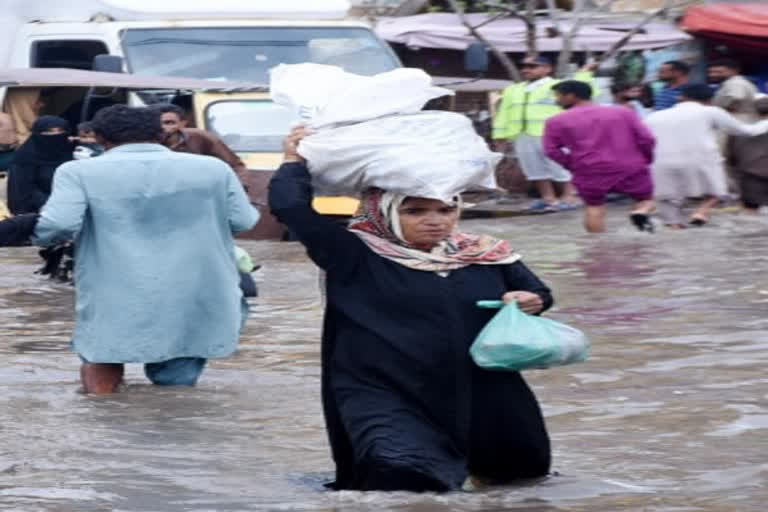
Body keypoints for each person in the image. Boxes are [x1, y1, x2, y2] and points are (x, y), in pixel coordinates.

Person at [269, 127, 554, 492]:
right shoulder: (354, 253)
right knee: (400, 476)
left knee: (520, 474)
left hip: (484, 388)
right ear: (384, 212)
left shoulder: (485, 252)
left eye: (446, 209)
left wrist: (533, 301)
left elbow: (537, 292)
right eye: (415, 211)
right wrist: (294, 163)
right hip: (386, 390)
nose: (435, 220)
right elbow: (291, 208)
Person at [32, 105, 260, 394]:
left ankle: (98, 430)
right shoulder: (212, 169)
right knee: (177, 377)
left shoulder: (78, 172)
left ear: (100, 138)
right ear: (159, 134)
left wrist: (26, 231)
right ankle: (173, 429)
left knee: (103, 355)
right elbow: (243, 220)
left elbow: (58, 226)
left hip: (113, 285)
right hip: (195, 284)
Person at [644, 84, 768, 228]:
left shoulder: (654, 116)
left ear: (680, 97)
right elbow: (745, 131)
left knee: (668, 200)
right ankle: (701, 212)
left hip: (661, 161)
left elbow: (643, 139)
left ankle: (674, 227)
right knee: (717, 190)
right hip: (700, 159)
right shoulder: (710, 111)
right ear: (710, 99)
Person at [543, 81, 656, 233]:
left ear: (571, 96)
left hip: (589, 169)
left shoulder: (555, 121)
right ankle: (641, 216)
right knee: (645, 201)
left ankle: (597, 248)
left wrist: (572, 164)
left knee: (594, 207)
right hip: (630, 166)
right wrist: (646, 159)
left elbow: (550, 150)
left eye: (558, 96)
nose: (556, 101)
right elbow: (647, 139)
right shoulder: (623, 112)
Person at [492, 56, 595, 211]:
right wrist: (499, 134)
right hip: (522, 134)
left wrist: (584, 74)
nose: (526, 69)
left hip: (553, 135)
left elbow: (584, 91)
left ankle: (569, 197)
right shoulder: (513, 89)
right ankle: (548, 199)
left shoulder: (557, 86)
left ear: (548, 69)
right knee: (533, 168)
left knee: (559, 167)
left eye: (533, 66)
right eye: (524, 66)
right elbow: (503, 113)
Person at [154, 104, 251, 191]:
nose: (163, 127)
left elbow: (235, 166)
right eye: (158, 123)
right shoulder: (145, 143)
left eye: (169, 123)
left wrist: (240, 189)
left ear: (182, 124)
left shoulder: (200, 137)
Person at [6, 116, 73, 215]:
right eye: (49, 132)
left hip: (73, 208)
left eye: (61, 131)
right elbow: (21, 191)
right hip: (38, 213)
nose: (56, 135)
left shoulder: (70, 153)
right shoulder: (25, 158)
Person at [727, 96, 768, 215]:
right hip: (751, 175)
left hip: (750, 178)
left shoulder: (739, 130)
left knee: (750, 213)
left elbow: (731, 158)